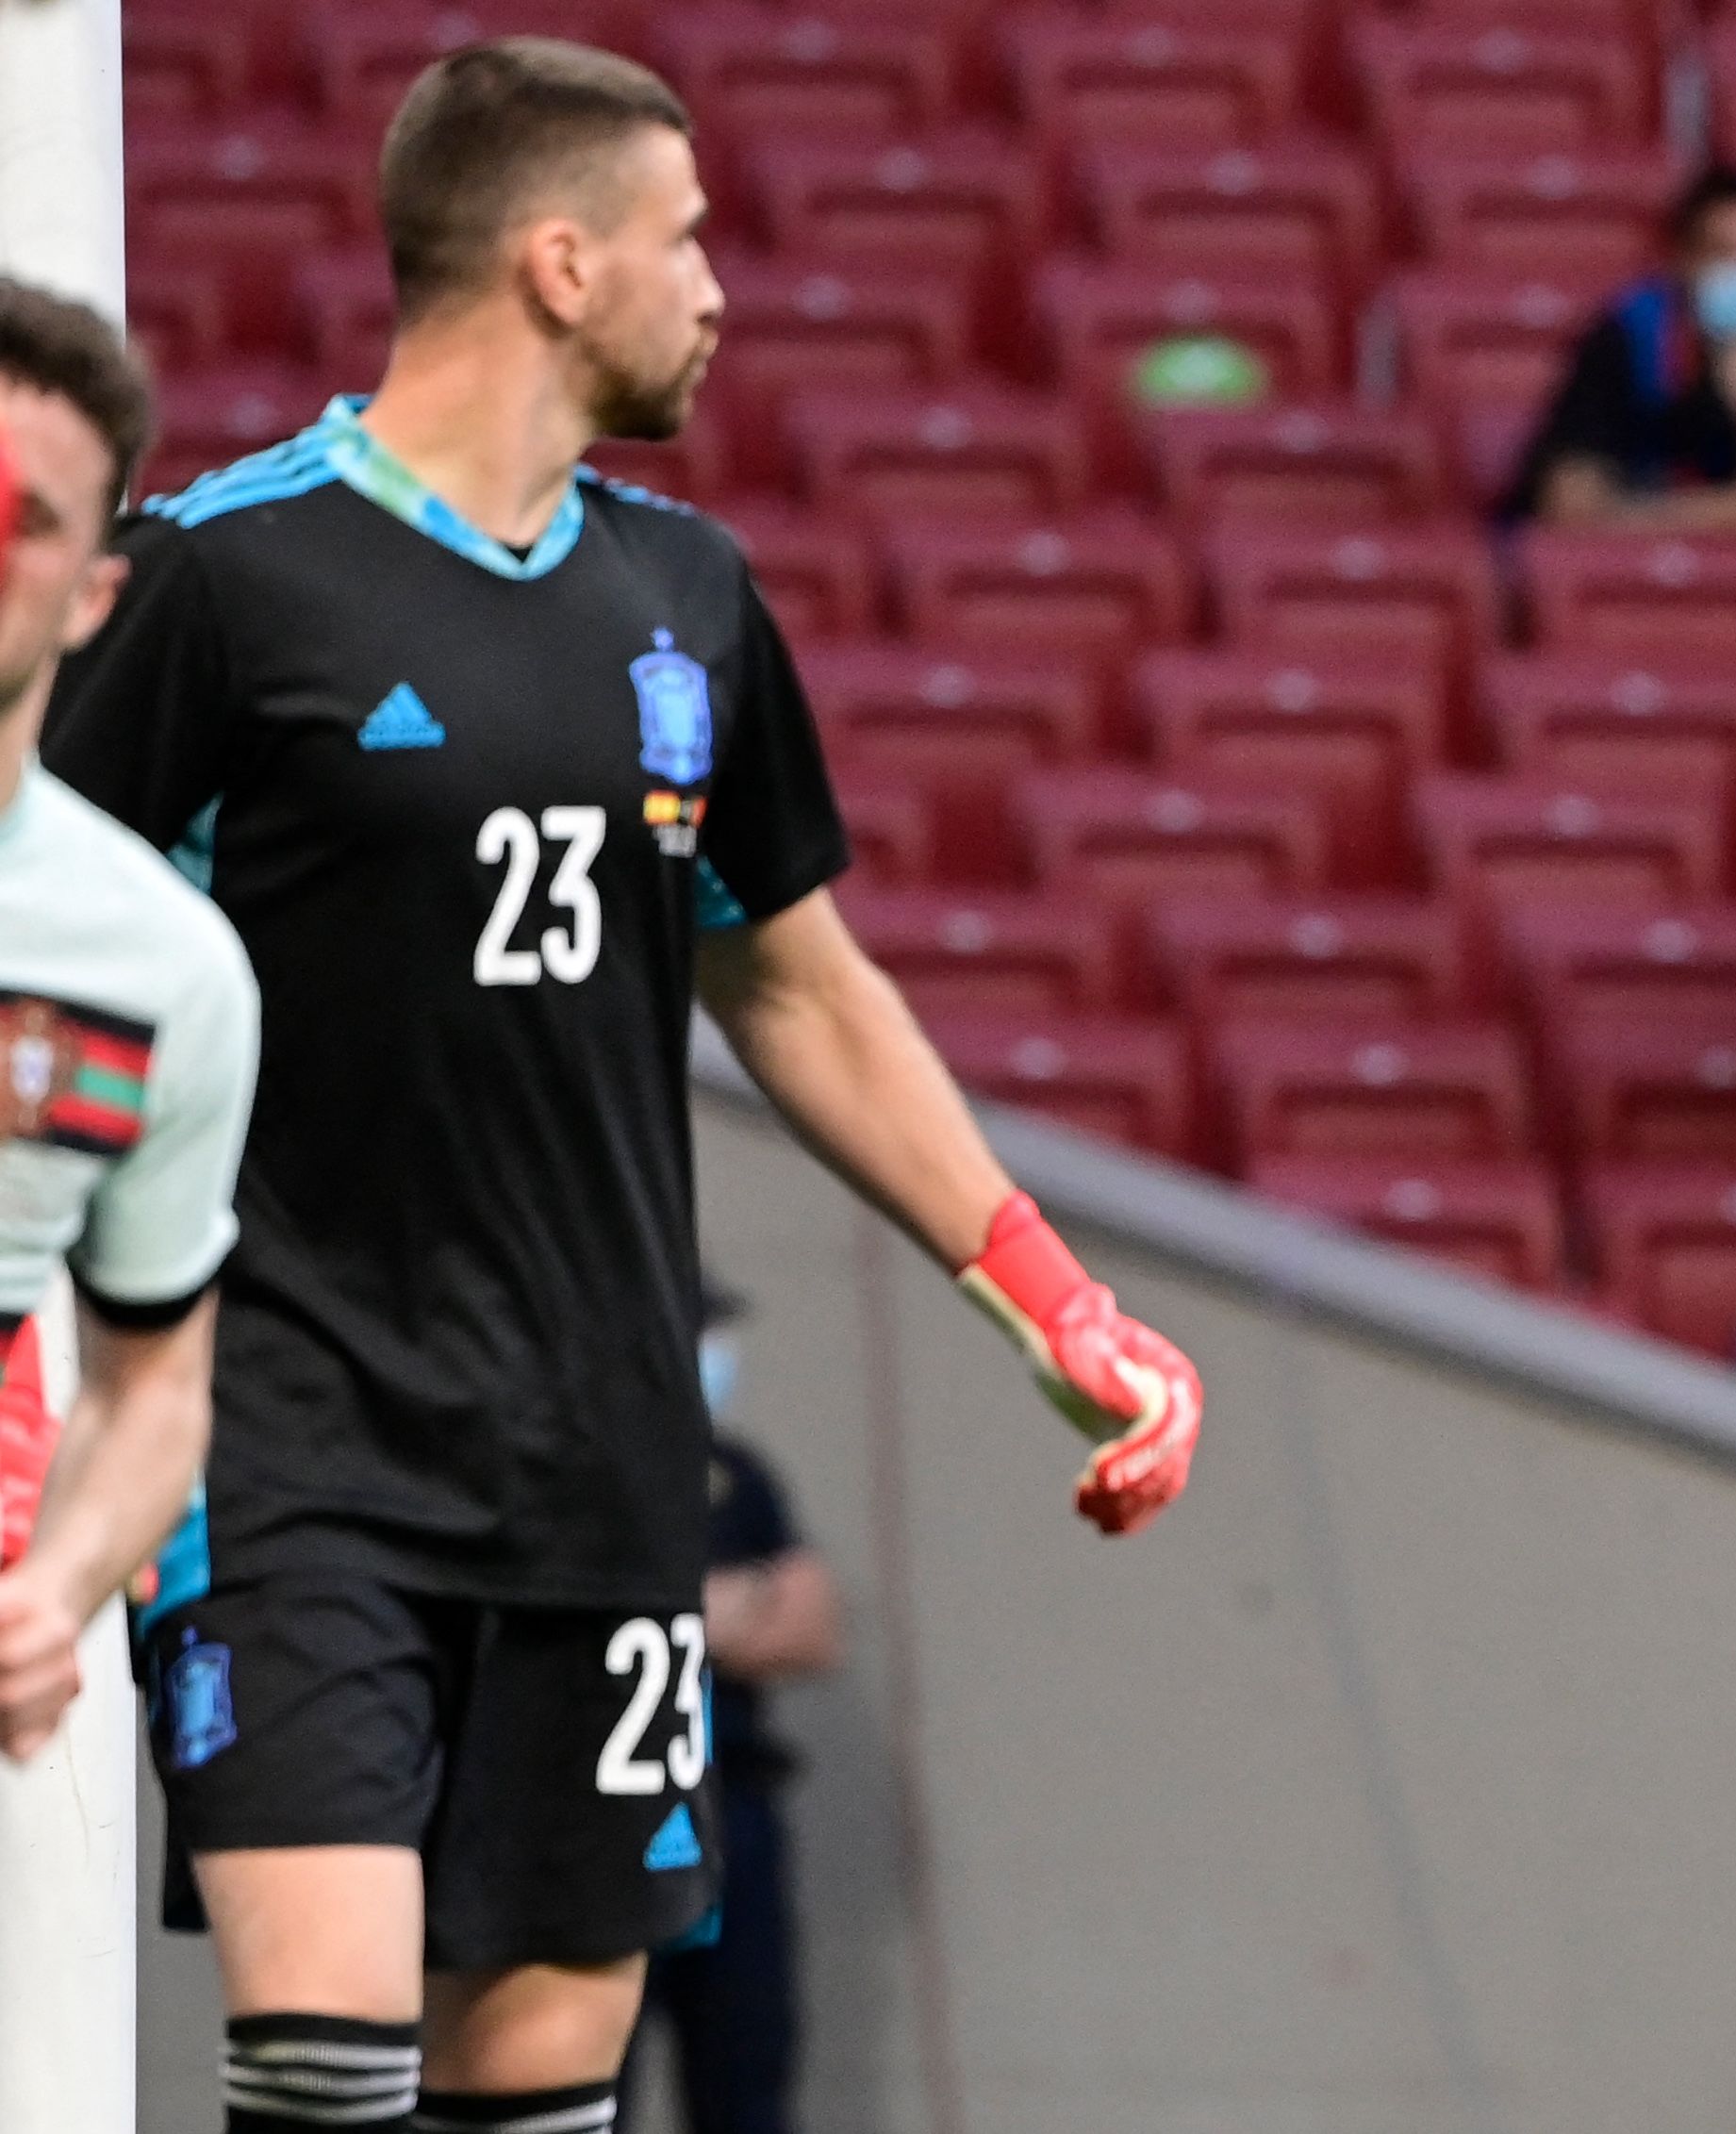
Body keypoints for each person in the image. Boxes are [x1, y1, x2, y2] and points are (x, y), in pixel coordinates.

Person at [41, 41, 1200, 2134]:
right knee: (327, 2059)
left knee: (538, 2090)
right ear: (560, 264)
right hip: (288, 1449)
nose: (718, 290)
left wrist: (1048, 1294)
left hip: (595, 1463)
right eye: (686, 239)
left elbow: (805, 988)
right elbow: (34, 935)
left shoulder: (690, 600)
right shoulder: (222, 578)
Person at [0, 279, 259, 2134]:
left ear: (93, 595)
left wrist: (60, 1586)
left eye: (25, 518)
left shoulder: (160, 964)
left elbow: (158, 1382)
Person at [624, 1292, 838, 2134]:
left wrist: (671, 1611)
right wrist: (721, 1606)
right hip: (609, 1815)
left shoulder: (737, 1478)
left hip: (729, 1808)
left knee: (746, 2082)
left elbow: (812, 1624)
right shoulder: (578, 1466)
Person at [1505, 165, 1736, 536]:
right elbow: (1570, 501)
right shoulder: (1628, 332)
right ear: (1682, 259)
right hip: (1625, 558)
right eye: (1723, 254)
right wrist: (1735, 513)